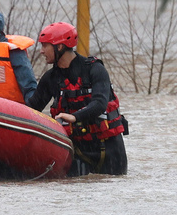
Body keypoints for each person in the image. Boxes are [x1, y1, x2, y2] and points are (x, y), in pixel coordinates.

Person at [26, 22, 129, 177]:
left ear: (59, 47)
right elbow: (31, 109)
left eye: (45, 46)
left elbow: (100, 103)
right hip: (78, 152)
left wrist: (74, 117)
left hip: (109, 149)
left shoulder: (95, 69)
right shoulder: (50, 79)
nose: (41, 51)